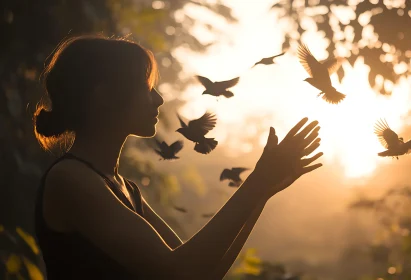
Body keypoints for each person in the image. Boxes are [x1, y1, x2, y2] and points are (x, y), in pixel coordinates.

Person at [33, 34, 323, 279]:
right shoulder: (70, 180)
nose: (158, 99)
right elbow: (180, 272)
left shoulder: (123, 188)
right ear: (104, 96)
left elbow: (204, 272)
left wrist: (263, 191)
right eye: (146, 88)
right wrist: (257, 183)